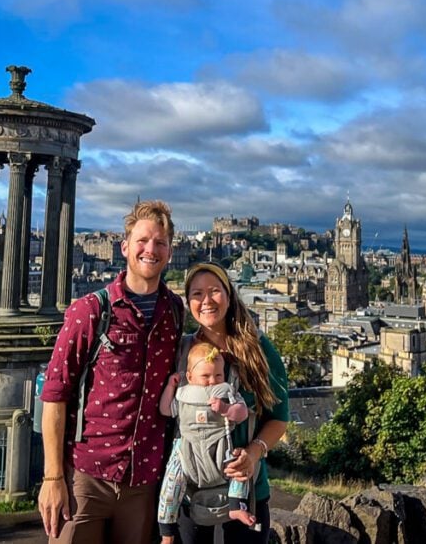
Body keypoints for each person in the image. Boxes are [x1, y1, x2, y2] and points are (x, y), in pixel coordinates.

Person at [38, 200, 183, 544]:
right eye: (143, 241)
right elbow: (55, 396)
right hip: (86, 479)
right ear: (125, 247)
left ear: (170, 252)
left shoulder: (175, 311)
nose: (151, 250)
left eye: (160, 243)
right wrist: (52, 478)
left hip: (145, 482)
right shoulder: (89, 310)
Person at [176, 262, 290, 544]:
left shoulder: (258, 350)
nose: (206, 301)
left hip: (246, 490)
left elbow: (279, 417)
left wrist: (253, 453)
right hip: (190, 493)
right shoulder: (181, 351)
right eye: (197, 294)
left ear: (229, 295)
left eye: (215, 291)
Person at [157, 342, 255, 543]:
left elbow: (242, 413)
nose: (212, 381)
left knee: (239, 467)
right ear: (190, 377)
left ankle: (236, 506)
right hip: (187, 448)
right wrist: (170, 386)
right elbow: (166, 410)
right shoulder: (183, 393)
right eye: (206, 376)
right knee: (172, 481)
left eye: (218, 375)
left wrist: (226, 409)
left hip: (219, 445)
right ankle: (167, 530)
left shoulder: (225, 391)